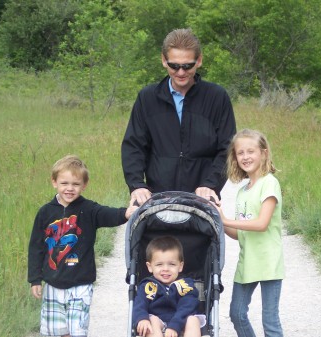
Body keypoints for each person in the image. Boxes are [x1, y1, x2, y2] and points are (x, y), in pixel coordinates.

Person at [121, 28, 236, 206]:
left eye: (187, 65)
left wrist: (210, 184)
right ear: (163, 60)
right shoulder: (147, 98)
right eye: (174, 66)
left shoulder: (217, 97)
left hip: (202, 199)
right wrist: (137, 185)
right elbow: (134, 146)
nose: (181, 72)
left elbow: (227, 148)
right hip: (158, 198)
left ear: (199, 60)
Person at [28, 155, 138, 337]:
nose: (69, 189)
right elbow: (36, 247)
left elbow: (107, 214)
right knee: (56, 331)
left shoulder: (88, 209)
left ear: (84, 185)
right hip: (52, 283)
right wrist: (34, 279)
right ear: (54, 182)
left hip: (81, 283)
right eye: (64, 183)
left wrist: (126, 213)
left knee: (77, 331)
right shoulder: (45, 212)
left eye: (75, 184)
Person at [214, 129, 284, 337]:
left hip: (268, 261)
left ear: (263, 153)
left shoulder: (269, 183)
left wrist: (226, 219)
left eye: (250, 151)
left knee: (270, 321)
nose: (245, 157)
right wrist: (219, 219)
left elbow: (262, 223)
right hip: (247, 262)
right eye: (240, 153)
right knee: (237, 314)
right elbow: (239, 233)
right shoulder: (243, 191)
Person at [133, 236, 205, 337]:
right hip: (158, 323)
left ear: (180, 266)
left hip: (181, 322)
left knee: (193, 320)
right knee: (151, 320)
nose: (165, 269)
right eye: (159, 264)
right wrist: (142, 318)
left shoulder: (185, 285)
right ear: (150, 267)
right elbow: (139, 304)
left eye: (171, 264)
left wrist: (175, 325)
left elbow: (188, 306)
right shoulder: (148, 286)